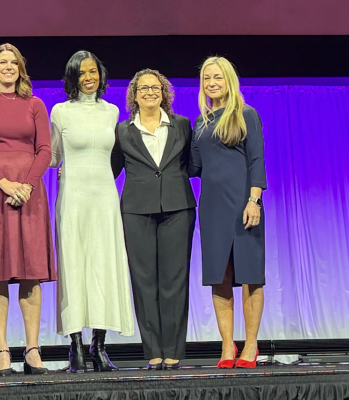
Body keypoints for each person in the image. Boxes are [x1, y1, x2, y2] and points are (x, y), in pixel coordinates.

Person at [0, 43, 56, 376]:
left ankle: (32, 350)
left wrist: (27, 186)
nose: (8, 67)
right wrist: (5, 184)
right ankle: (2, 351)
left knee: (31, 273)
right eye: (2, 62)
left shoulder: (35, 105)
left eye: (13, 62)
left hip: (29, 192)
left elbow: (44, 150)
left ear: (21, 68)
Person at [50, 51, 134, 373]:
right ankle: (75, 347)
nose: (89, 77)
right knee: (74, 267)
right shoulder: (60, 112)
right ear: (73, 77)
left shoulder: (112, 112)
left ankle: (99, 345)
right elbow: (53, 155)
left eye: (94, 71)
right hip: (73, 198)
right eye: (82, 73)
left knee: (104, 267)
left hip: (104, 198)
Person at [112, 69, 196, 370]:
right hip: (136, 211)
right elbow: (110, 170)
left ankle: (173, 351)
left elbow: (192, 164)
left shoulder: (182, 126)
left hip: (178, 207)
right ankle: (153, 351)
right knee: (144, 281)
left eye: (156, 87)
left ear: (164, 93)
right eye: (143, 88)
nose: (150, 92)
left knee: (174, 281)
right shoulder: (122, 131)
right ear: (134, 95)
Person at [190, 56, 266, 369]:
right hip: (212, 208)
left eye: (218, 78)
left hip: (244, 206)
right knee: (219, 278)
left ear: (229, 80)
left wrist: (254, 200)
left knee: (250, 276)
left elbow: (256, 161)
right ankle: (226, 346)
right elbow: (193, 167)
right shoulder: (200, 122)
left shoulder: (246, 114)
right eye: (207, 78)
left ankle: (250, 345)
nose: (212, 83)